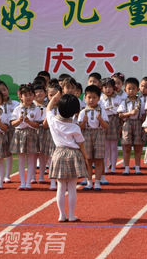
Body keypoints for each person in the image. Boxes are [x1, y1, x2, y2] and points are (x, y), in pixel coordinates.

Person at [47, 91, 88, 223]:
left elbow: (48, 108)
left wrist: (56, 96)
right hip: (73, 154)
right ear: (75, 112)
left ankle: (61, 215)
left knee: (60, 186)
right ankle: (71, 215)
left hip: (58, 153)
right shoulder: (74, 127)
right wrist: (86, 159)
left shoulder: (52, 121)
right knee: (71, 187)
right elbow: (81, 145)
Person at [10, 84, 43, 190]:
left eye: (30, 95)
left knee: (31, 159)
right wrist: (19, 120)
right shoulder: (17, 109)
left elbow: (38, 125)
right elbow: (12, 123)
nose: (28, 97)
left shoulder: (37, 109)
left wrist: (29, 122)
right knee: (20, 159)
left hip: (32, 134)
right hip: (19, 133)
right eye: (25, 95)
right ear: (20, 96)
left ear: (33, 96)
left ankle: (28, 182)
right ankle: (22, 182)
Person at [78, 85, 109, 190]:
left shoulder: (101, 110)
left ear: (98, 98)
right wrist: (84, 122)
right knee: (88, 160)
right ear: (85, 98)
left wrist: (100, 120)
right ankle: (89, 181)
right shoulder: (83, 112)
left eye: (94, 98)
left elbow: (106, 126)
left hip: (99, 134)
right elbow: (80, 128)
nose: (91, 100)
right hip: (86, 134)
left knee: (99, 159)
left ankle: (98, 182)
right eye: (89, 97)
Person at [0, 78, 19, 184]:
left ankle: (7, 175)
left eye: (4, 89)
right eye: (0, 90)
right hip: (0, 132)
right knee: (2, 154)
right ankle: (1, 176)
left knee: (10, 153)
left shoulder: (15, 103)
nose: (3, 92)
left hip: (12, 130)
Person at [117, 77, 145, 175]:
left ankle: (137, 167)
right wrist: (129, 113)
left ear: (138, 90)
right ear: (125, 90)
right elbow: (120, 115)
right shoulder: (124, 102)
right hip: (127, 124)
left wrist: (143, 124)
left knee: (138, 146)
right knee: (126, 146)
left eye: (133, 88)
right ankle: (127, 167)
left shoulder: (141, 101)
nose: (131, 91)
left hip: (138, 123)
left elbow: (144, 114)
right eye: (129, 88)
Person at [101, 78, 122, 178]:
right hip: (104, 121)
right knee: (105, 147)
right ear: (102, 88)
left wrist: (112, 110)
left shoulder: (118, 98)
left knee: (113, 146)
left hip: (114, 121)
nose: (108, 89)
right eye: (105, 87)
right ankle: (105, 166)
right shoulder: (100, 98)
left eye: (110, 87)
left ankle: (113, 166)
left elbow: (119, 111)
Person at [33, 84, 50, 184]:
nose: (39, 94)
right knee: (33, 154)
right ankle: (32, 176)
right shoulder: (30, 105)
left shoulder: (48, 105)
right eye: (36, 92)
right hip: (33, 130)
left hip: (45, 130)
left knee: (43, 154)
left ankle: (41, 176)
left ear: (45, 93)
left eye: (41, 91)